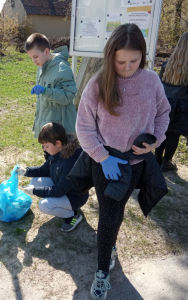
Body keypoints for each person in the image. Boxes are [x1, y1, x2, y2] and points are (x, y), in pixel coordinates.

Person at [75, 24, 171, 299]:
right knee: (108, 215)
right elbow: (84, 127)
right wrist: (103, 157)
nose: (127, 67)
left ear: (143, 55)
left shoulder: (151, 80)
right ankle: (102, 271)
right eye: (120, 61)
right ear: (110, 56)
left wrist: (156, 141)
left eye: (134, 60)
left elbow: (164, 113)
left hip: (137, 162)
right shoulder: (98, 84)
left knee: (116, 213)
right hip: (106, 162)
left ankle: (110, 247)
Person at [17, 122, 88, 232]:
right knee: (34, 182)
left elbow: (58, 191)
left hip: (75, 197)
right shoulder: (58, 151)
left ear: (58, 143)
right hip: (62, 187)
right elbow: (44, 170)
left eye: (46, 146)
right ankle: (63, 207)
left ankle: (73, 216)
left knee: (44, 205)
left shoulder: (71, 163)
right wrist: (25, 171)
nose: (44, 149)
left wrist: (35, 191)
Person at [25, 33, 77, 160]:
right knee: (50, 164)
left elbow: (68, 95)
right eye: (31, 57)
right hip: (48, 129)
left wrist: (45, 91)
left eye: (35, 56)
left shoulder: (62, 68)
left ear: (46, 51)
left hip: (59, 131)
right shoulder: (42, 66)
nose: (34, 61)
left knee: (62, 167)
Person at [155, 31, 188, 172]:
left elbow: (160, 81)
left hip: (165, 101)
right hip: (183, 104)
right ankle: (166, 162)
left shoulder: (168, 64)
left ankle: (157, 160)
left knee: (163, 131)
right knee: (174, 134)